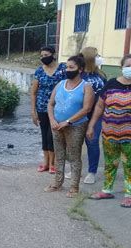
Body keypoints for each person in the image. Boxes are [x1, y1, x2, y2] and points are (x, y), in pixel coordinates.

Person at [88, 54, 131, 208]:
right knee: (110, 163)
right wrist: (91, 125)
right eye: (128, 65)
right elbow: (99, 106)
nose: (130, 68)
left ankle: (130, 194)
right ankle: (107, 190)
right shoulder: (111, 84)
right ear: (122, 67)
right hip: (109, 134)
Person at [45, 55, 94, 197]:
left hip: (76, 126)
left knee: (74, 156)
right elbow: (51, 104)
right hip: (56, 126)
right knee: (59, 155)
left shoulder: (86, 86)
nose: (68, 70)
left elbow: (86, 109)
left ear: (80, 69)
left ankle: (74, 187)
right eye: (67, 67)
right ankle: (57, 183)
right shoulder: (60, 84)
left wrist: (68, 122)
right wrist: (52, 120)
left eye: (71, 67)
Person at [66, 47, 107, 184]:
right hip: (77, 114)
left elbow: (104, 97)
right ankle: (74, 169)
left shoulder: (101, 76)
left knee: (92, 142)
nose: (99, 58)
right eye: (97, 55)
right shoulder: (78, 74)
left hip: (95, 115)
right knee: (75, 143)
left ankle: (92, 172)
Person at [31, 46, 67, 174]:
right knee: (44, 134)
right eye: (41, 56)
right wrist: (33, 111)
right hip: (41, 107)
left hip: (58, 107)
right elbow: (34, 92)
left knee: (52, 135)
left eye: (46, 55)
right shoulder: (39, 71)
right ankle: (45, 162)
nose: (43, 58)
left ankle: (53, 162)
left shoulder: (63, 69)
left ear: (53, 54)